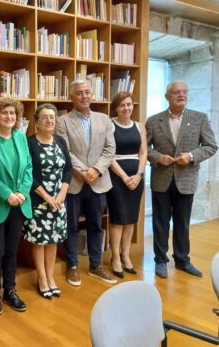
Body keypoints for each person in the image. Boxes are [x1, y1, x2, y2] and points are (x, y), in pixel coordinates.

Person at [146, 81, 218, 278]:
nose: (182, 95)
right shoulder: (153, 121)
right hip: (161, 178)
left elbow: (211, 146)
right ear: (167, 96)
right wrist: (158, 158)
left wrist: (192, 156)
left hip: (186, 179)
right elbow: (144, 149)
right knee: (160, 222)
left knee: (182, 222)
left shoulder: (200, 119)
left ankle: (182, 260)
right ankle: (160, 260)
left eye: (185, 92)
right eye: (177, 92)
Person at [56, 79, 116, 286]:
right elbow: (64, 150)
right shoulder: (62, 121)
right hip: (74, 182)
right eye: (79, 93)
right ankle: (72, 266)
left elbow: (110, 149)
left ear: (92, 94)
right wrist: (83, 171)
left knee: (96, 226)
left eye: (87, 92)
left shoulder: (104, 119)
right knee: (71, 226)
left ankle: (95, 266)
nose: (84, 96)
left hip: (99, 182)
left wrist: (96, 170)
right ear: (72, 97)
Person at [0, 98, 33, 316]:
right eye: (4, 113)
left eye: (12, 113)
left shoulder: (21, 137)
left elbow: (28, 166)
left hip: (18, 204)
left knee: (12, 249)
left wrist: (22, 192)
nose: (9, 117)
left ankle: (10, 290)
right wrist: (6, 194)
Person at [24, 103, 72, 298]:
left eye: (52, 117)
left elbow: (68, 169)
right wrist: (46, 197)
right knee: (40, 242)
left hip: (59, 201)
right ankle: (42, 279)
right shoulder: (30, 143)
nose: (49, 120)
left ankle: (51, 278)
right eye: (44, 117)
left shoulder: (60, 141)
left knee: (53, 241)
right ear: (36, 122)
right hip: (39, 200)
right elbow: (28, 174)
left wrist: (62, 194)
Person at [106, 92, 147, 278]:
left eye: (129, 104)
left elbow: (143, 153)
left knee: (131, 219)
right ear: (116, 108)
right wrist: (124, 176)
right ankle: (115, 257)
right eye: (122, 105)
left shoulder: (139, 126)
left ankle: (126, 255)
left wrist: (138, 175)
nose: (127, 108)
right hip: (116, 177)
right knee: (118, 220)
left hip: (137, 178)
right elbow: (108, 155)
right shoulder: (110, 125)